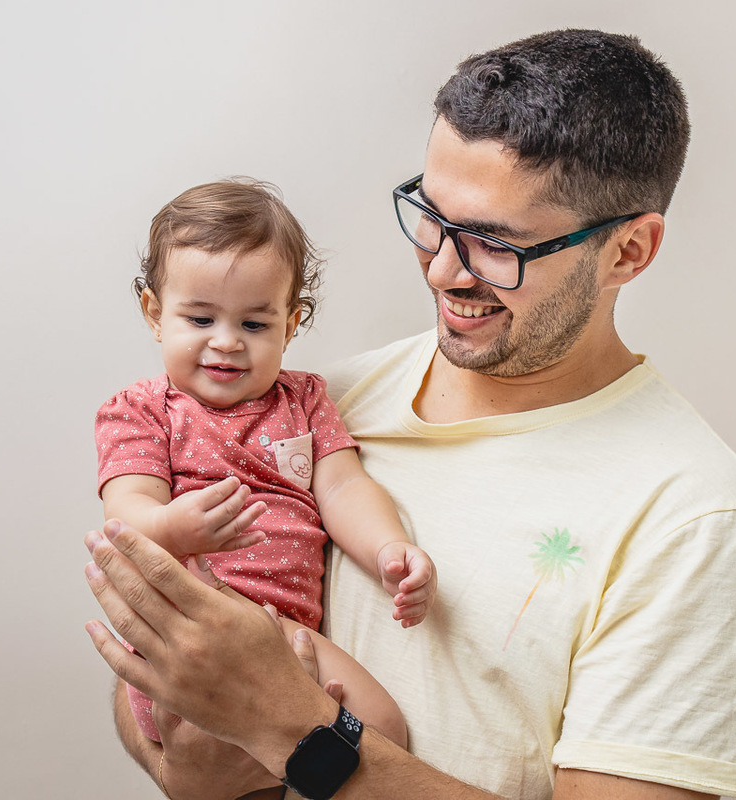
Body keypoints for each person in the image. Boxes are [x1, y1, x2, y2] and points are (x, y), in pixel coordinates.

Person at [84, 28, 736, 800]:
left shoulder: (688, 513)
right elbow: (170, 699)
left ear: (628, 252)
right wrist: (191, 759)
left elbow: (270, 716)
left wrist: (290, 730)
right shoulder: (310, 407)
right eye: (432, 216)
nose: (444, 269)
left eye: (493, 243)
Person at [93, 179, 436, 770]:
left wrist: (390, 548)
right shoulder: (143, 410)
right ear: (155, 312)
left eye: (254, 325)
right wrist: (176, 529)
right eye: (200, 319)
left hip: (282, 638)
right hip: (187, 635)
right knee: (356, 733)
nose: (225, 343)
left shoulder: (304, 400)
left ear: (291, 321)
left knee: (366, 740)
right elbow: (126, 516)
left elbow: (344, 486)